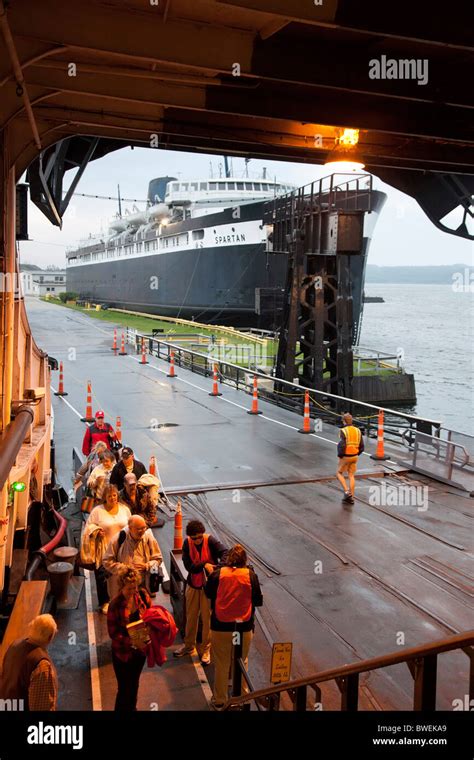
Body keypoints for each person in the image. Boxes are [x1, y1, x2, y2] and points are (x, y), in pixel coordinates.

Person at [205, 544, 263, 710]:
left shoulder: (217, 575)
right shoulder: (250, 575)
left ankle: (220, 700)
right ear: (245, 560)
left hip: (220, 627)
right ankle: (242, 698)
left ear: (228, 559)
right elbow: (258, 601)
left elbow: (208, 593)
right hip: (243, 628)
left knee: (222, 664)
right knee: (242, 661)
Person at [174, 520, 227, 665]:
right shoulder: (187, 544)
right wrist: (205, 564)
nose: (197, 540)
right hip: (193, 585)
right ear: (189, 537)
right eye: (194, 538)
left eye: (199, 537)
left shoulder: (210, 540)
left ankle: (206, 650)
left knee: (207, 619)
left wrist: (216, 569)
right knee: (190, 617)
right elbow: (189, 566)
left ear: (202, 534)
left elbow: (226, 553)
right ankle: (188, 646)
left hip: (208, 587)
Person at [107, 566, 151, 711]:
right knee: (124, 689)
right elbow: (113, 633)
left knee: (134, 685)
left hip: (139, 653)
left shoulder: (142, 596)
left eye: (134, 587)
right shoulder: (115, 605)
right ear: (121, 587)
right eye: (129, 589)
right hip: (123, 654)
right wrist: (131, 641)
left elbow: (150, 615)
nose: (132, 592)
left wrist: (149, 631)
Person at [82, 484, 132, 614]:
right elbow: (88, 528)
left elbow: (131, 525)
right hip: (104, 548)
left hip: (123, 548)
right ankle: (105, 601)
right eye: (109, 496)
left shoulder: (124, 510)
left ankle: (124, 598)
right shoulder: (97, 511)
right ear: (104, 497)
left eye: (114, 495)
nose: (112, 498)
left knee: (123, 574)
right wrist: (97, 531)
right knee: (103, 576)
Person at [0, 614, 58, 711]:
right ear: (50, 637)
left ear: (31, 628)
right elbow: (41, 707)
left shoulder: (14, 646)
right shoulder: (41, 664)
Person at [103, 514, 163, 600]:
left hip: (143, 585)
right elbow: (107, 561)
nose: (142, 531)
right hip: (124, 587)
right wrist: (125, 569)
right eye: (139, 529)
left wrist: (147, 565)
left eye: (144, 528)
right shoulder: (118, 539)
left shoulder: (148, 538)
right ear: (130, 528)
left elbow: (158, 559)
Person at [336, 412, 364, 505]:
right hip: (355, 456)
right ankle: (351, 497)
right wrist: (356, 453)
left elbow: (342, 445)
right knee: (351, 475)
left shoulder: (343, 431)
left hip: (346, 456)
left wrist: (340, 455)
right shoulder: (358, 430)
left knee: (339, 473)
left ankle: (346, 492)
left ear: (344, 421)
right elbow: (362, 446)